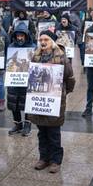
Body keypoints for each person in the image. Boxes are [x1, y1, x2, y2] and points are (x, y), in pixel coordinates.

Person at [29, 30, 74, 173]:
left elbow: (70, 78)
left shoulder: (61, 57)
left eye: (46, 39)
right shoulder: (35, 56)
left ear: (52, 42)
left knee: (54, 133)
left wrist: (63, 93)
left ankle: (55, 160)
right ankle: (43, 158)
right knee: (41, 132)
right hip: (39, 100)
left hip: (55, 100)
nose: (43, 42)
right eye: (41, 39)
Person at [7, 22, 35, 136]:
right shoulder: (11, 47)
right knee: (14, 102)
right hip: (14, 79)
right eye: (18, 35)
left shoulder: (32, 47)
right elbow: (8, 61)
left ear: (26, 35)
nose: (20, 38)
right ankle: (18, 124)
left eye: (22, 35)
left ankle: (27, 125)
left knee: (27, 103)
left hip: (27, 80)